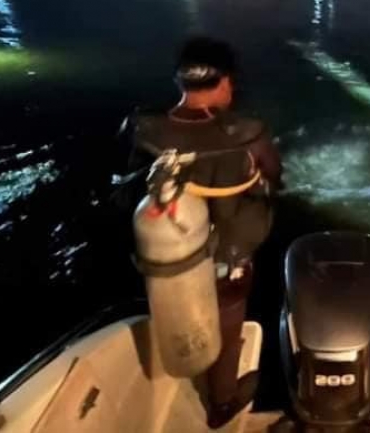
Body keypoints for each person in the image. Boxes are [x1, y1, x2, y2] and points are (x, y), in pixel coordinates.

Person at [118, 36, 282, 428]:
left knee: (180, 300)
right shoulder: (247, 133)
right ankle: (222, 402)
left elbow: (127, 189)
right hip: (228, 258)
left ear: (180, 81)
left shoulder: (144, 127)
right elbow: (275, 176)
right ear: (225, 81)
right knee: (227, 323)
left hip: (165, 252)